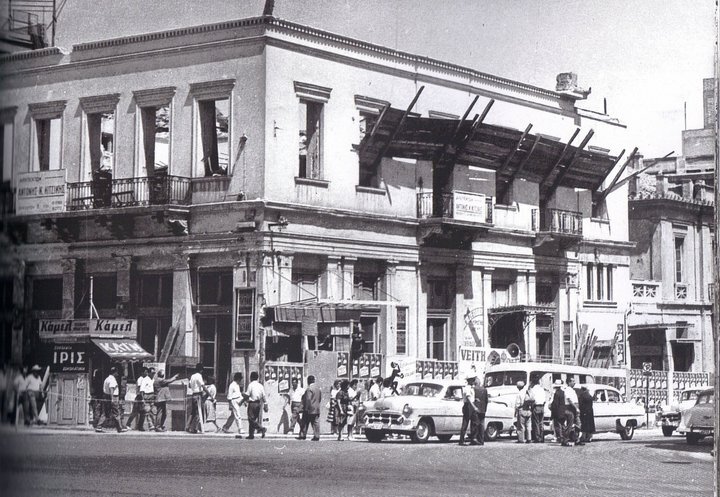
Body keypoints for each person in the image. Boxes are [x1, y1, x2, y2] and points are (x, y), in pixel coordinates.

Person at [95, 367, 126, 433]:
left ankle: (99, 426)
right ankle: (119, 428)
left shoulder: (107, 379)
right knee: (116, 413)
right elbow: (111, 389)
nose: (117, 374)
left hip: (106, 396)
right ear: (114, 372)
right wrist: (112, 399)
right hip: (113, 397)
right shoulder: (112, 380)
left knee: (105, 412)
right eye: (116, 372)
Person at [243, 371, 267, 439]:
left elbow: (247, 395)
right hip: (258, 404)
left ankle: (261, 428)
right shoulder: (260, 386)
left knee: (251, 419)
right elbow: (264, 396)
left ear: (251, 377)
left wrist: (243, 397)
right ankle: (251, 434)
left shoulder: (251, 385)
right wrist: (265, 404)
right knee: (254, 419)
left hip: (252, 403)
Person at [298, 375, 322, 441]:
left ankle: (303, 435)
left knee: (305, 422)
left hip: (309, 408)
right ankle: (317, 435)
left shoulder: (309, 389)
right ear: (314, 380)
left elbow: (308, 399)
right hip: (316, 408)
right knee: (316, 422)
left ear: (308, 381)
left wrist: (306, 408)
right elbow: (319, 398)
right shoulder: (318, 389)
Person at [186, 363, 208, 434]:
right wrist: (208, 393)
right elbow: (203, 386)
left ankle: (187, 426)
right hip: (198, 395)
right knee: (199, 412)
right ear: (201, 370)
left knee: (193, 412)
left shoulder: (192, 376)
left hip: (193, 394)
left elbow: (189, 385)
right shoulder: (199, 376)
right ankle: (195, 428)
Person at [470, 373, 488, 445]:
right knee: (481, 425)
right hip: (483, 409)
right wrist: (485, 409)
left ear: (475, 383)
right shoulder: (485, 390)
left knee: (474, 424)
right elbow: (486, 400)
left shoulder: (473, 389)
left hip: (476, 409)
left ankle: (474, 439)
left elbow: (472, 399)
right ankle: (481, 440)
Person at [459, 373, 476, 446]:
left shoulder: (471, 388)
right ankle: (461, 440)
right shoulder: (467, 388)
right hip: (468, 406)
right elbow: (468, 398)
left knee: (474, 422)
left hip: (470, 405)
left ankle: (473, 439)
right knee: (465, 423)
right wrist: (474, 406)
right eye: (473, 379)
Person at [528, 375, 546, 443]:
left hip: (536, 406)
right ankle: (542, 437)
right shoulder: (542, 389)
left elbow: (532, 399)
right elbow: (544, 399)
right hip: (542, 406)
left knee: (536, 423)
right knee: (541, 423)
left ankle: (537, 438)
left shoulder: (533, 389)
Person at [563, 377, 581, 445]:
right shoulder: (567, 390)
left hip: (574, 408)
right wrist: (575, 408)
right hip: (570, 408)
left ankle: (576, 439)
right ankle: (565, 440)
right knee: (570, 425)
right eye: (572, 381)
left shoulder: (572, 390)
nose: (574, 382)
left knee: (577, 425)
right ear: (569, 382)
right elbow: (570, 400)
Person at [550, 379, 568, 445]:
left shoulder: (556, 393)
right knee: (563, 426)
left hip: (557, 412)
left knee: (557, 426)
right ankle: (564, 438)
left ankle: (560, 438)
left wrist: (552, 409)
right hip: (562, 411)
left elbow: (555, 404)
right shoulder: (563, 392)